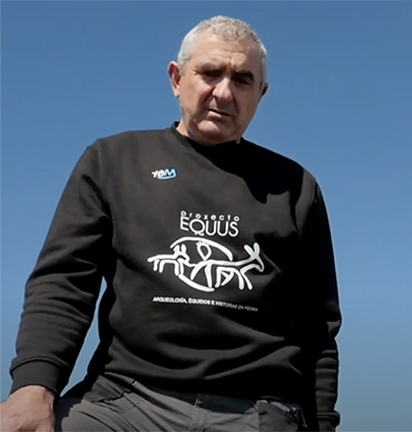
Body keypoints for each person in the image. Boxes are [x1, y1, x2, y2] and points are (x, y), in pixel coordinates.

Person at [0, 15, 341, 432]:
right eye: (210, 73)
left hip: (255, 409)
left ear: (261, 94)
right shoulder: (113, 161)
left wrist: (323, 424)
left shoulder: (295, 187)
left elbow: (318, 328)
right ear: (177, 78)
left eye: (242, 80)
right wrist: (33, 386)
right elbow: (65, 283)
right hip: (125, 400)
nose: (224, 92)